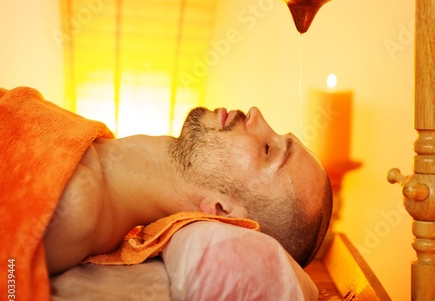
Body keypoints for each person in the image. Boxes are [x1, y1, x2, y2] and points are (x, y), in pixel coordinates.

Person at [43, 105, 332, 276]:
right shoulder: (90, 156)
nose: (255, 114)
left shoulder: (71, 204)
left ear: (221, 210)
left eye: (267, 150)